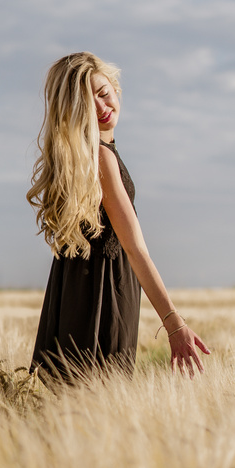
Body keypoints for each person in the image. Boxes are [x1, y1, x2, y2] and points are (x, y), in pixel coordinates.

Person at [27, 51, 210, 381]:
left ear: (114, 85)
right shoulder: (100, 158)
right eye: (87, 103)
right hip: (103, 296)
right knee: (99, 398)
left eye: (102, 93)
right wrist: (173, 323)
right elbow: (135, 248)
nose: (101, 107)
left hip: (78, 291)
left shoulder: (85, 158)